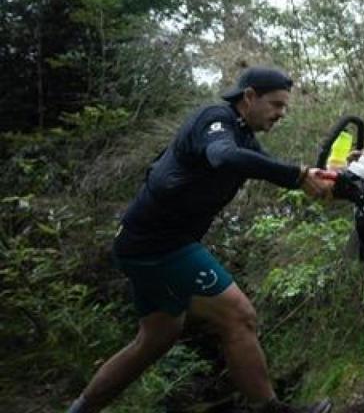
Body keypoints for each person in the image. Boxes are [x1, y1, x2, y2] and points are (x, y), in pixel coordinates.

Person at [68, 67, 335, 413]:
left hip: (146, 244)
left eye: (285, 107)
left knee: (155, 340)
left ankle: (80, 409)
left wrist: (334, 180)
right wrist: (297, 175)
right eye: (276, 104)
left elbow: (279, 172)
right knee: (239, 316)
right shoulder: (216, 120)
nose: (281, 114)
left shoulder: (246, 140)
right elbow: (224, 157)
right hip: (158, 245)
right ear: (249, 96)